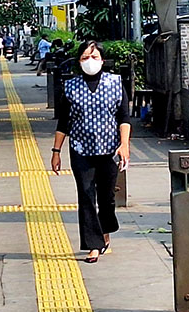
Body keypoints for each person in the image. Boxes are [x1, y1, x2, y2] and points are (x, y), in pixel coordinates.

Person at [51, 40, 131, 263]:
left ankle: (105, 231)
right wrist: (56, 151)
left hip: (109, 149)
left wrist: (124, 144)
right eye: (85, 57)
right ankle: (93, 244)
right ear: (79, 61)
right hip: (81, 148)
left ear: (102, 60)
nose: (90, 61)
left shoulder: (115, 83)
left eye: (94, 57)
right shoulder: (71, 87)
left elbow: (124, 117)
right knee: (86, 195)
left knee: (106, 196)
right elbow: (63, 123)